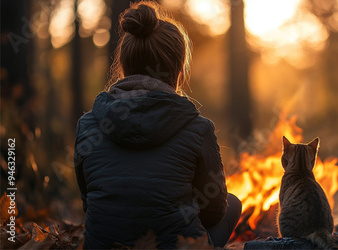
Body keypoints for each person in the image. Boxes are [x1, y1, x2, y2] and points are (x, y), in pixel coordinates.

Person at [74, 1, 241, 248]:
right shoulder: (199, 128)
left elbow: (89, 202)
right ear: (178, 72)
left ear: (124, 67)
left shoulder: (88, 125)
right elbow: (214, 212)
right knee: (233, 203)